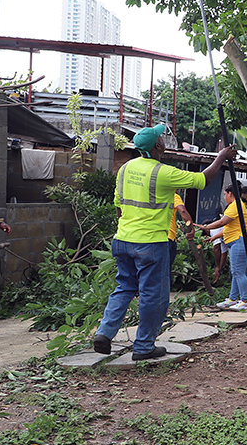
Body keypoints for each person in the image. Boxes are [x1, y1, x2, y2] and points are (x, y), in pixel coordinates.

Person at [93, 125, 235, 359]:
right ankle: (143, 347)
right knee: (153, 295)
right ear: (158, 146)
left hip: (122, 240)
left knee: (124, 287)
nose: (163, 139)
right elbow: (203, 179)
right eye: (161, 137)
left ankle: (104, 333)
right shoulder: (163, 172)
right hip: (151, 244)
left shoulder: (125, 169)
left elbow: (119, 207)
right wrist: (221, 157)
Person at [197, 186, 247, 311]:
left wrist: (205, 227)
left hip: (240, 241)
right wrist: (213, 238)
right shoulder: (237, 205)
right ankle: (233, 298)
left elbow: (221, 223)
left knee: (238, 272)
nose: (224, 197)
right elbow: (228, 228)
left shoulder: (235, 205)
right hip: (241, 240)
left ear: (230, 194)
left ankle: (244, 300)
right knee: (236, 271)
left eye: (225, 194)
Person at [167, 191, 195, 269]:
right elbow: (182, 210)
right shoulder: (173, 195)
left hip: (152, 238)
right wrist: (192, 228)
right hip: (168, 237)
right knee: (165, 271)